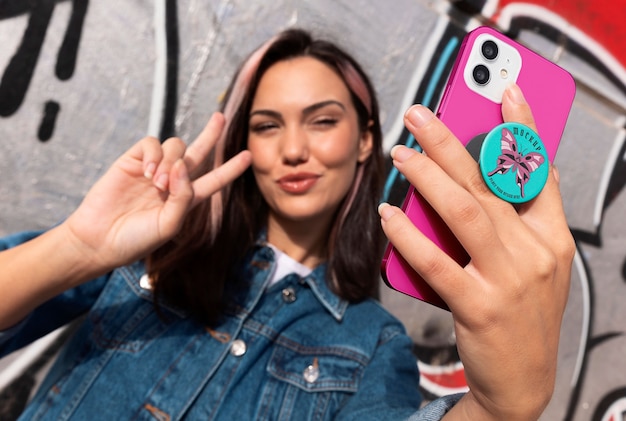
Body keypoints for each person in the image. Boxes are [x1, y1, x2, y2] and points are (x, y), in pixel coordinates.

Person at [0, 28, 573, 420]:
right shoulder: (154, 253)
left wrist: (500, 410)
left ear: (365, 140)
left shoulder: (371, 344)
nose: (294, 149)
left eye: (322, 120)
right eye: (268, 125)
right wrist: (77, 246)